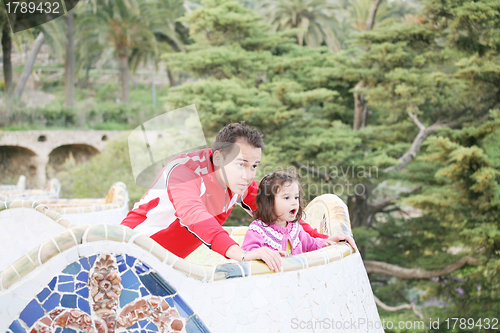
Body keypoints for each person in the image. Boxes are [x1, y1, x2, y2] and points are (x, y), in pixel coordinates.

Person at [121, 122, 353, 272]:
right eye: (242, 164)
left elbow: (278, 212)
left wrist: (322, 239)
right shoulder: (184, 172)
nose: (248, 175)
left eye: (254, 166)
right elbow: (196, 217)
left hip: (165, 268)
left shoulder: (239, 182)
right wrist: (243, 255)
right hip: (125, 256)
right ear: (219, 158)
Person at [241, 171, 354, 256]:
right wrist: (266, 255)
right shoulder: (258, 229)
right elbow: (248, 253)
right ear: (268, 202)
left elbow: (311, 244)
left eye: (296, 197)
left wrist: (326, 242)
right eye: (287, 198)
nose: (294, 202)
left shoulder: (295, 228)